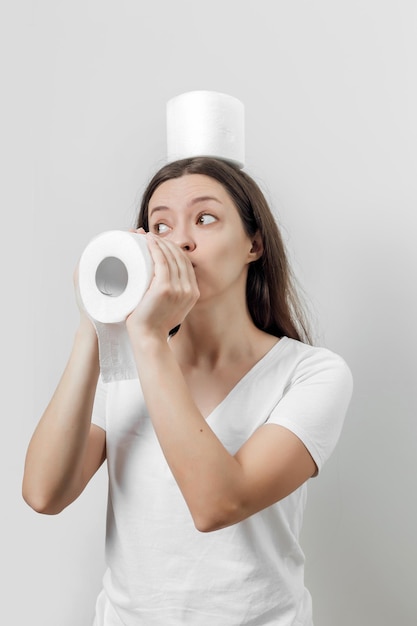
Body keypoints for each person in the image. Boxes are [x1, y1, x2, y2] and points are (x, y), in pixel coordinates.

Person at [23, 157, 353, 625]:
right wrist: (93, 326)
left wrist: (150, 340)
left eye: (205, 218)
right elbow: (44, 493)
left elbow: (217, 504)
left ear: (253, 244)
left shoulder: (311, 373)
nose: (180, 241)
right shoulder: (125, 364)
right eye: (160, 225)